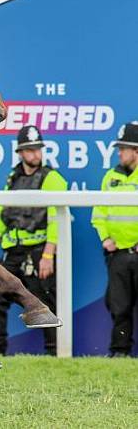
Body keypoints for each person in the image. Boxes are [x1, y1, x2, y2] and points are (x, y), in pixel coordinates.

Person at [0, 125, 67, 356]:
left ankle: (55, 355)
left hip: (39, 253)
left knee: (46, 306)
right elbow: (1, 214)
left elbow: (56, 220)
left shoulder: (52, 178)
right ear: (20, 153)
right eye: (30, 150)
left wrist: (48, 255)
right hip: (13, 253)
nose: (35, 154)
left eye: (38, 149)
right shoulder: (13, 178)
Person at [91, 121, 138, 357]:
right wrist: (105, 239)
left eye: (124, 148)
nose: (119, 152)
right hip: (118, 254)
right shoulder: (110, 177)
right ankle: (119, 353)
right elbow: (98, 213)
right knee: (119, 306)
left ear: (136, 150)